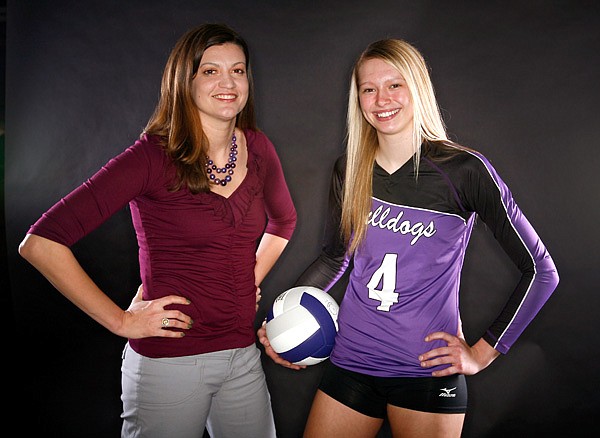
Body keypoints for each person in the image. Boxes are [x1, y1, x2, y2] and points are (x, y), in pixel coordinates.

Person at [258, 38, 559, 437]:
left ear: (418, 86)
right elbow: (335, 257)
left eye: (394, 84)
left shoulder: (464, 171)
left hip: (426, 371)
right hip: (351, 361)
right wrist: (285, 316)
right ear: (358, 99)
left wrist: (483, 353)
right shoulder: (349, 170)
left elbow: (541, 270)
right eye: (369, 88)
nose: (382, 99)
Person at [19, 23, 296, 438]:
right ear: (184, 80)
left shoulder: (258, 148)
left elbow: (284, 221)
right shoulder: (151, 157)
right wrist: (120, 321)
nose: (228, 82)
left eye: (238, 71)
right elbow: (40, 243)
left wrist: (244, 279)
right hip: (170, 365)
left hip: (241, 357)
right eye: (210, 71)